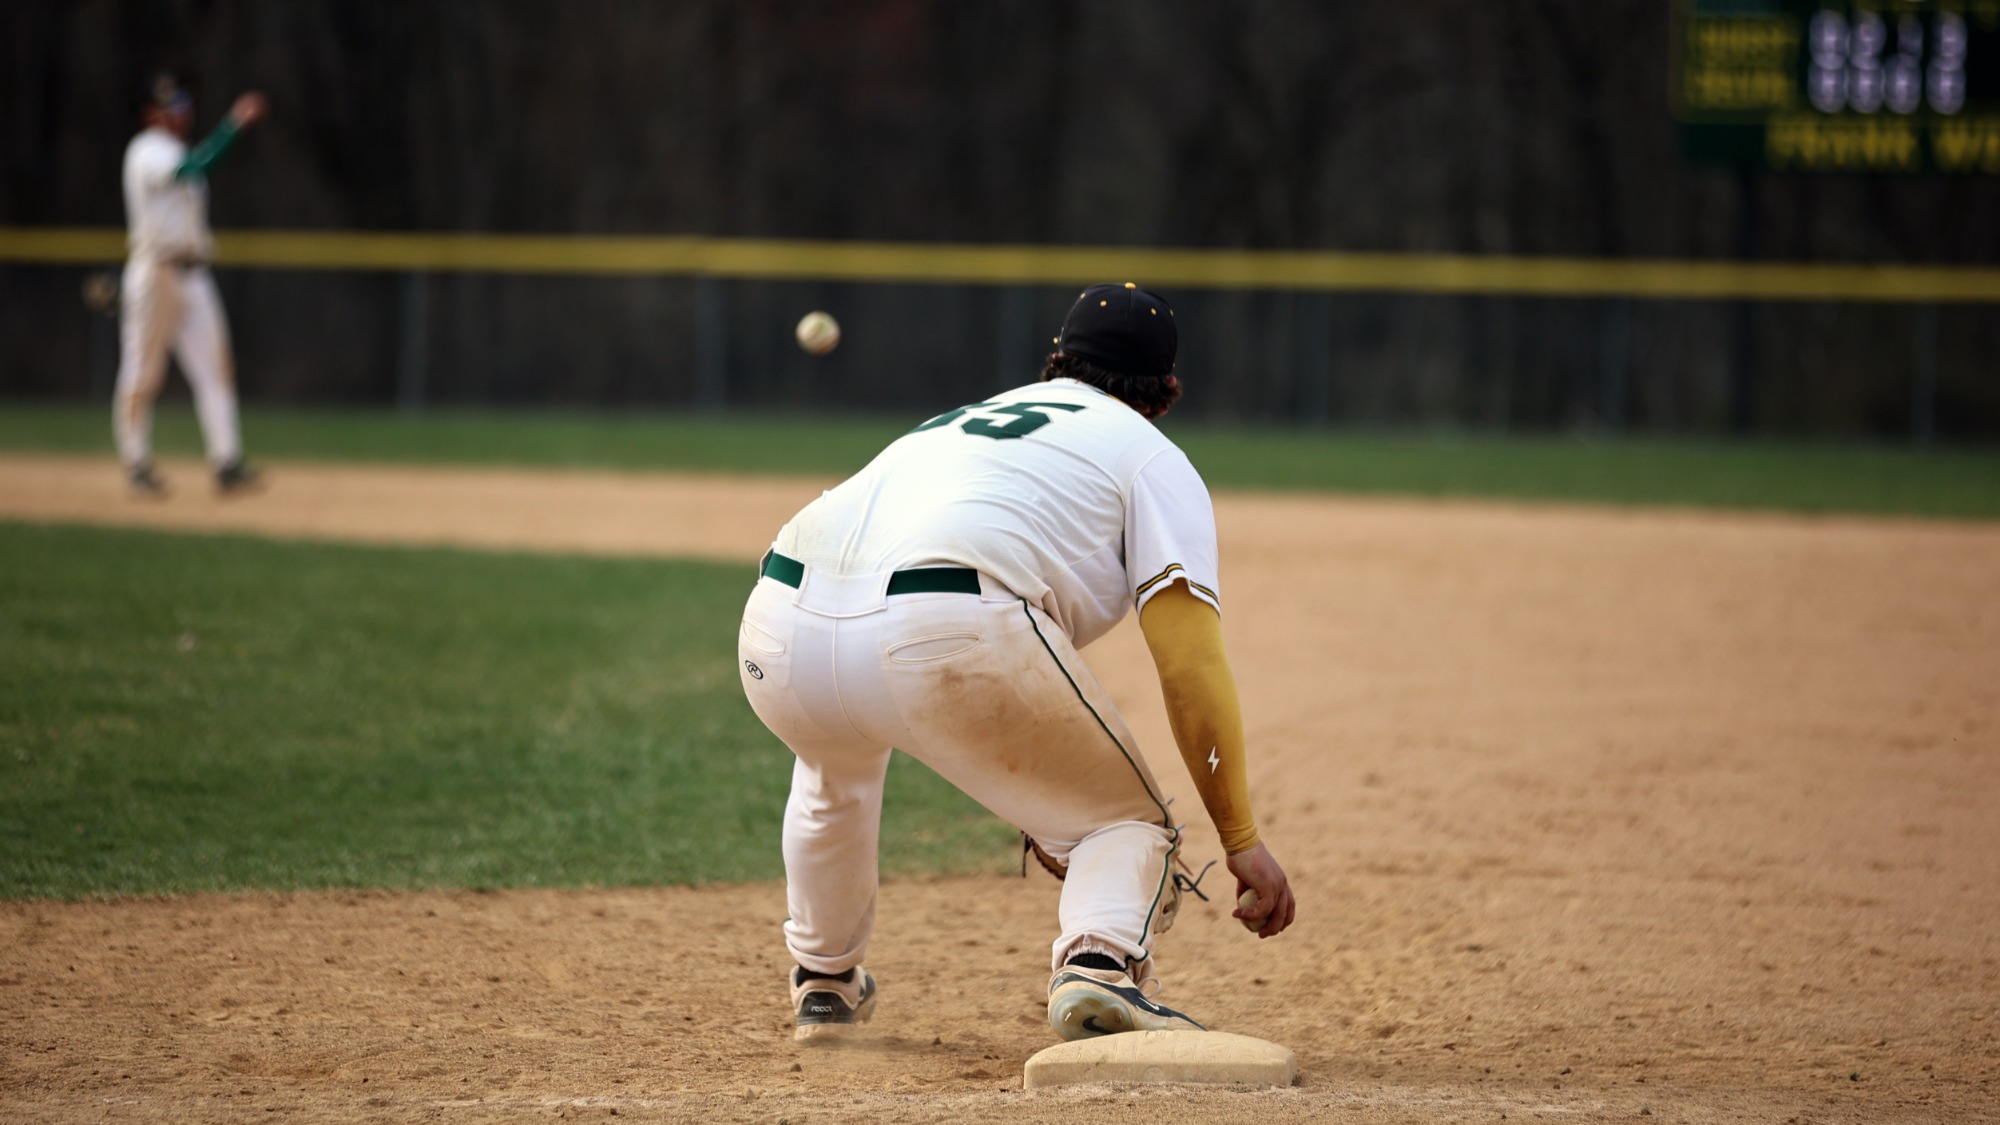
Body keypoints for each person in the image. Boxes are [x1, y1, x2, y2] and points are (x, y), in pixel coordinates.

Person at [738, 282, 1298, 1044]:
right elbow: (1189, 663)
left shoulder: (952, 425)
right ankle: (1098, 967)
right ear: (1167, 391)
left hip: (778, 620)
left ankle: (825, 983)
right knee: (1124, 822)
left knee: (833, 768)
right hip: (943, 627)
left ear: (1055, 364)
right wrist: (1239, 835)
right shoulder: (1151, 459)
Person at [114, 73, 267, 497]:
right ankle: (137, 462)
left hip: (194, 273)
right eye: (169, 108)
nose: (179, 113)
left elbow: (194, 165)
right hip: (157, 272)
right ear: (151, 115)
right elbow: (196, 167)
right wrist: (234, 123)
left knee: (217, 369)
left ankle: (227, 461)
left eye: (181, 105)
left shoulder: (179, 150)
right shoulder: (147, 150)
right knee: (143, 372)